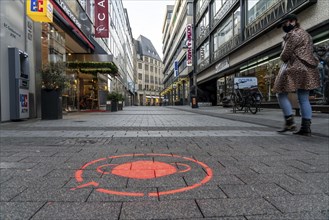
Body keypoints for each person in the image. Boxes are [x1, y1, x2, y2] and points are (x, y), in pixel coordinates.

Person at [273, 14, 320, 136]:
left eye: (285, 23)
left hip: (295, 67)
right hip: (308, 68)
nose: (283, 26)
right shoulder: (306, 34)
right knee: (303, 98)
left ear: (293, 21)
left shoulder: (293, 35)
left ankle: (289, 122)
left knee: (280, 93)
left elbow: (285, 55)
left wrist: (282, 53)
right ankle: (305, 128)